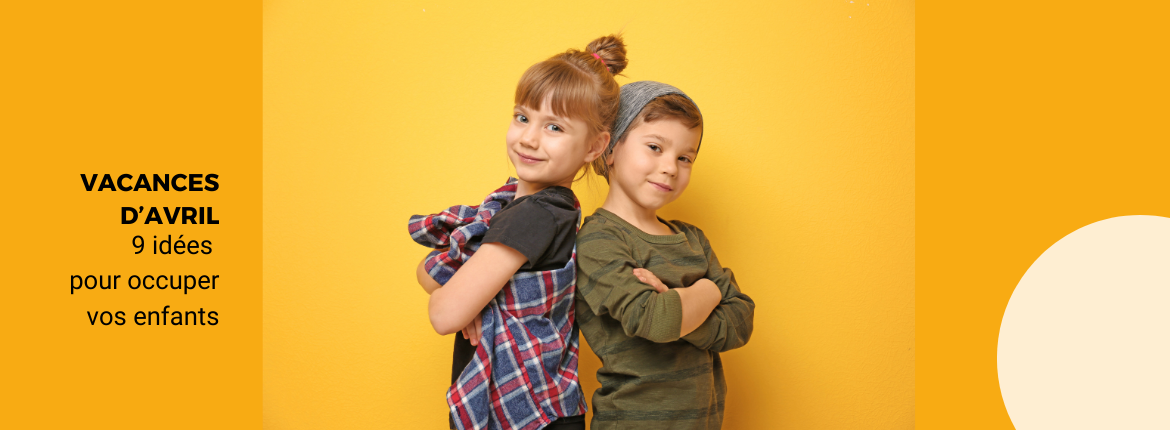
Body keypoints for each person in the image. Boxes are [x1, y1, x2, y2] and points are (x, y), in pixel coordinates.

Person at [407, 34, 629, 430]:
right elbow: (427, 271)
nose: (528, 138)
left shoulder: (535, 216)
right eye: (522, 117)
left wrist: (468, 301)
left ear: (595, 147)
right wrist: (470, 298)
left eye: (554, 127)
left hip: (529, 417)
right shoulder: (524, 205)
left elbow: (443, 314)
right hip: (546, 409)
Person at [575, 81, 756, 430]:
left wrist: (677, 304)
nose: (671, 167)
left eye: (685, 158)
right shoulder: (598, 241)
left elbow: (740, 321)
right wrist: (709, 290)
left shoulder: (691, 239)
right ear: (609, 149)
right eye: (655, 147)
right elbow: (656, 320)